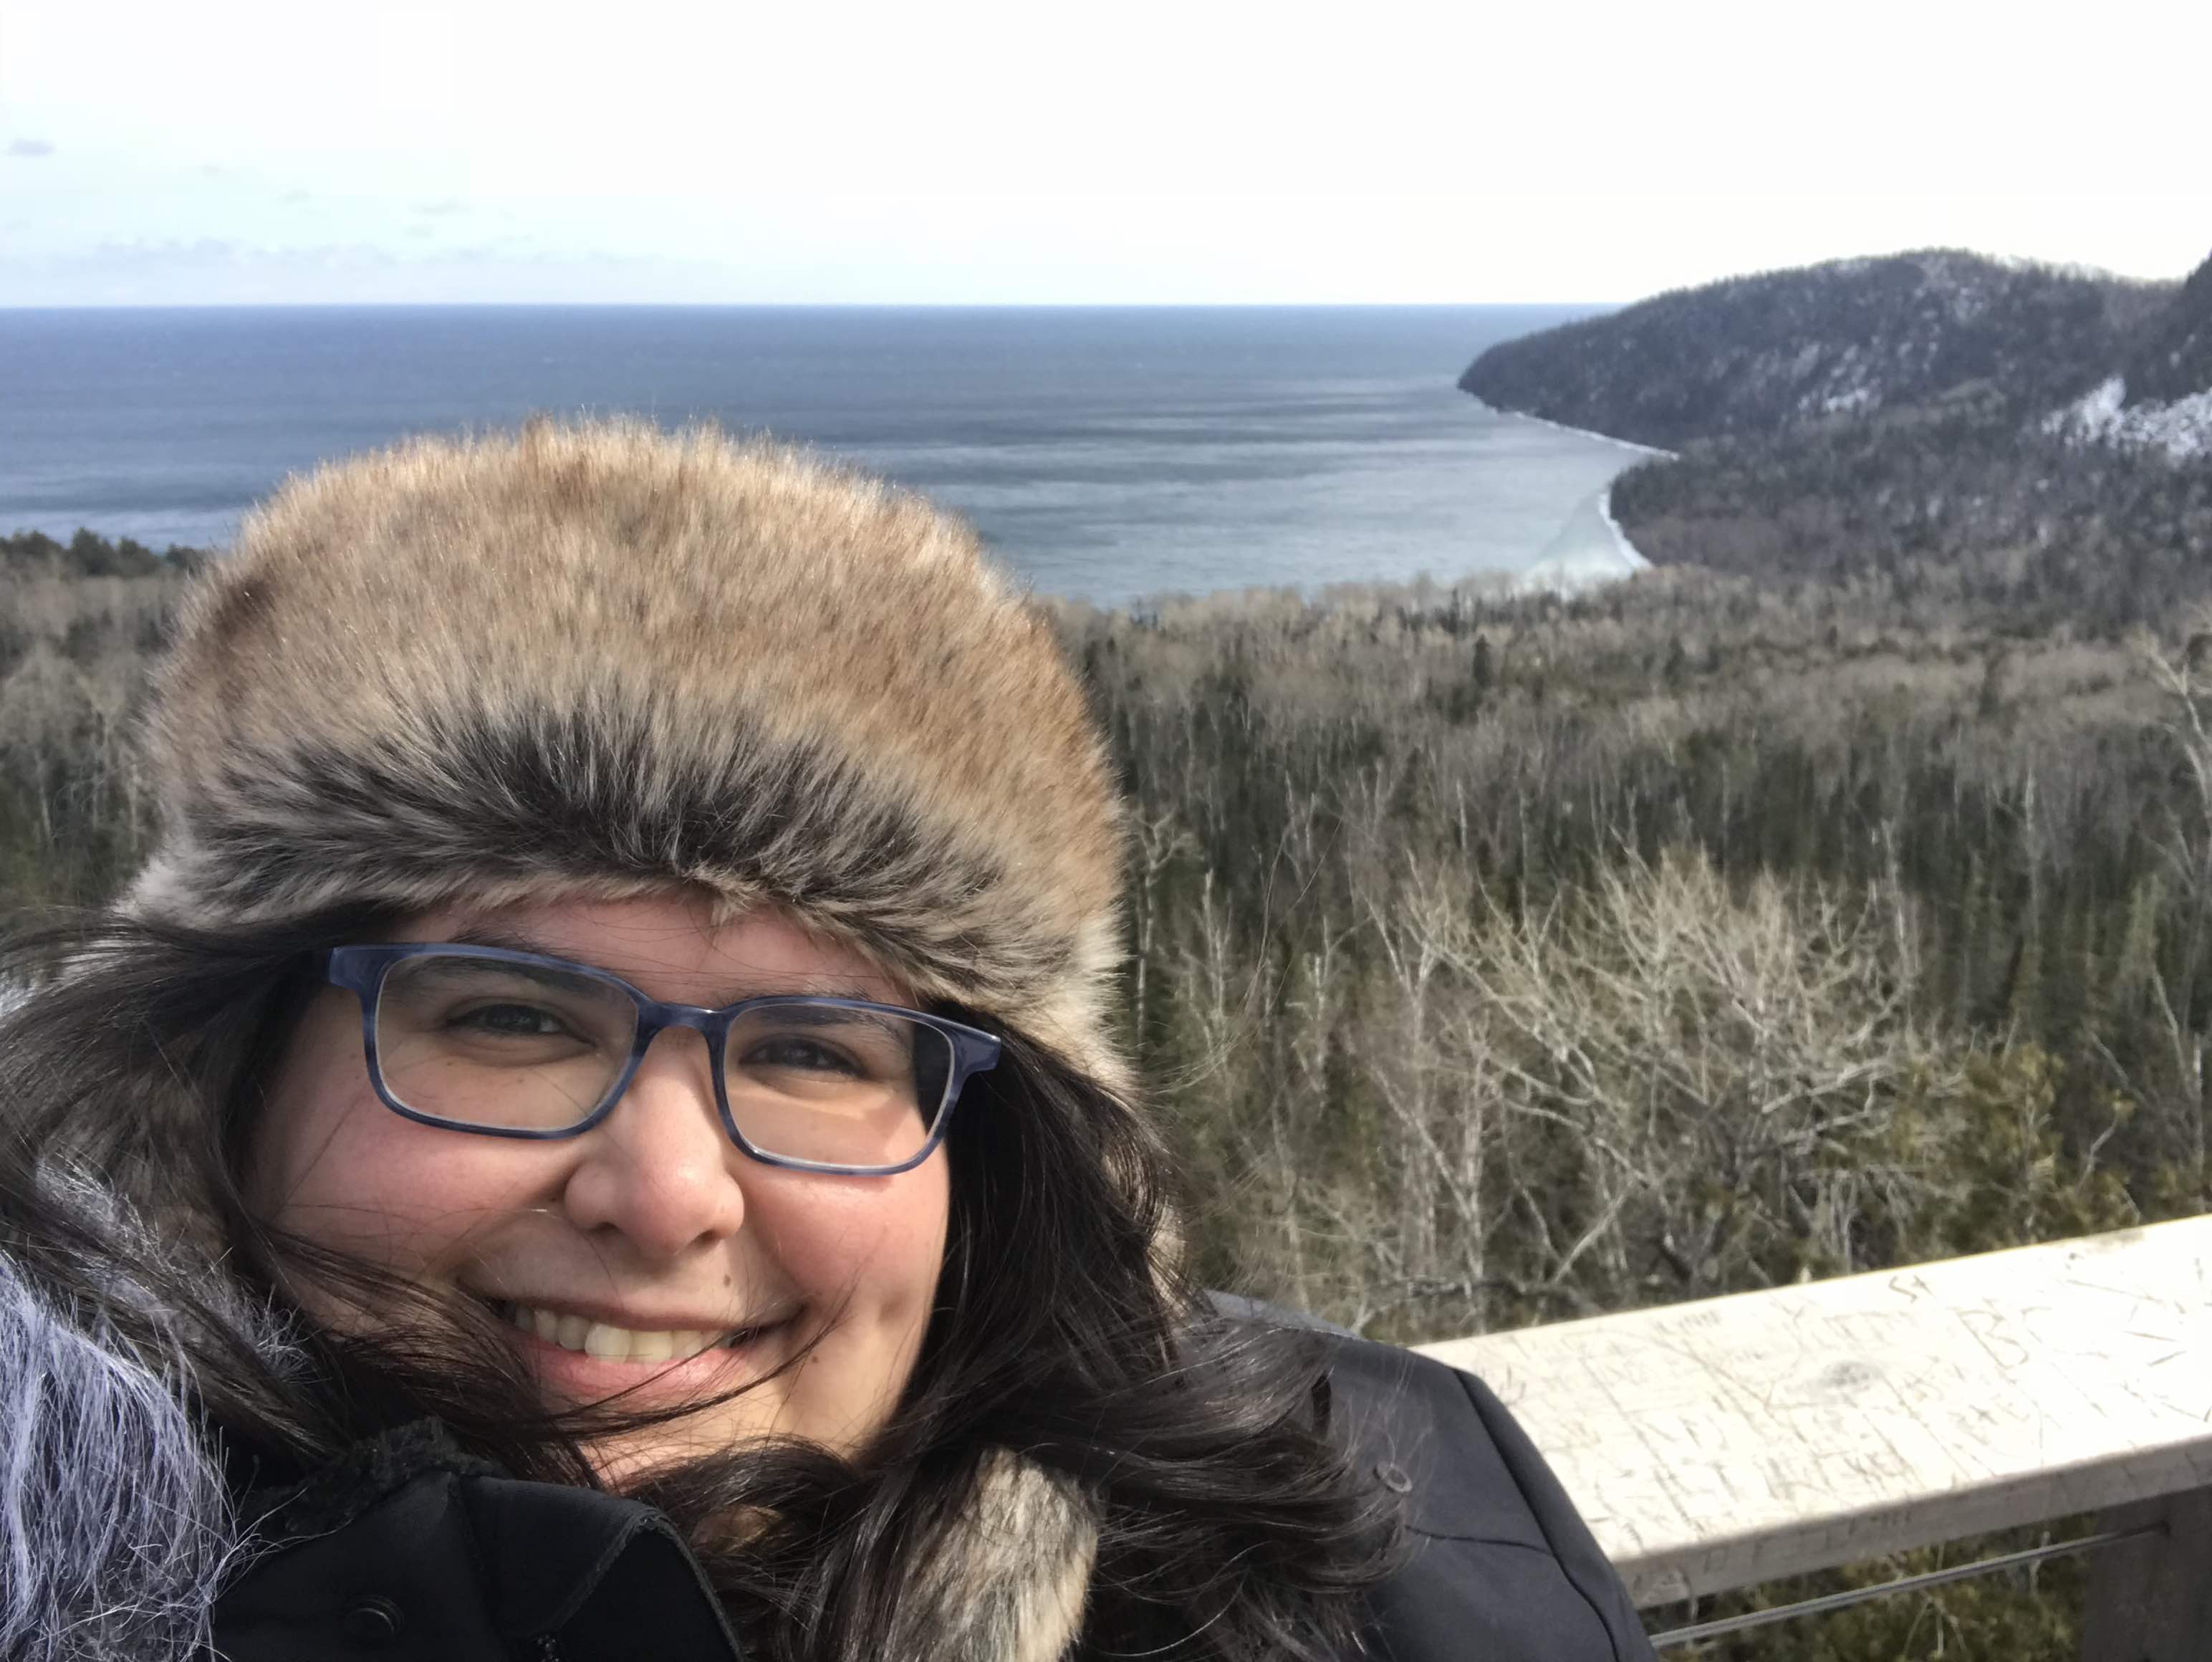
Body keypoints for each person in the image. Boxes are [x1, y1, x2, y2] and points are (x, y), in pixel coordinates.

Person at [0, 421, 1655, 1662]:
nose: (664, 1197)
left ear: (985, 1161)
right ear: (217, 1077)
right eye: (509, 1016)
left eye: (813, 1052)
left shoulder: (1391, 1547)